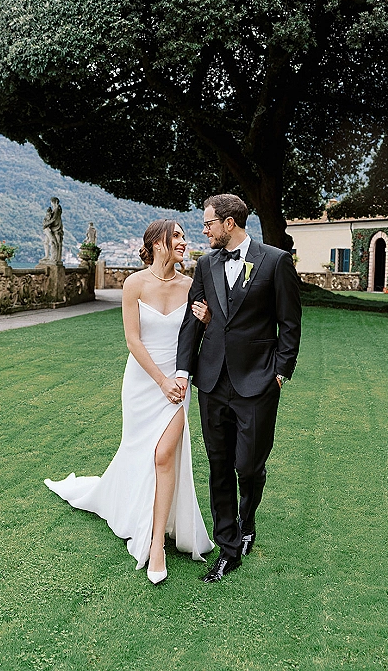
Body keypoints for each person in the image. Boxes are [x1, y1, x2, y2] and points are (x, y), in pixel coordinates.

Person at [44, 219, 214, 583]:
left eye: (186, 236)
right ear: (157, 243)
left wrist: (209, 321)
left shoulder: (192, 285)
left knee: (165, 455)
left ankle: (156, 545)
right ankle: (131, 510)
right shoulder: (133, 284)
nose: (184, 242)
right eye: (178, 236)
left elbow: (206, 335)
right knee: (141, 454)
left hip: (179, 382)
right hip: (144, 382)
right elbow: (133, 341)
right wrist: (160, 380)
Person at [176, 194, 301, 583]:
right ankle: (228, 547)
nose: (204, 230)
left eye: (209, 223)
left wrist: (280, 372)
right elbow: (192, 322)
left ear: (229, 223)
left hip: (257, 381)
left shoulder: (275, 261)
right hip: (212, 380)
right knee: (218, 465)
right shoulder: (205, 264)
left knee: (247, 466)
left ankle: (248, 522)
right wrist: (184, 370)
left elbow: (289, 323)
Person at [42, 197, 64, 262]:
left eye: (52, 202)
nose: (51, 204)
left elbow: (53, 219)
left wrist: (46, 224)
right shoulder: (55, 209)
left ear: (53, 202)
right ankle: (48, 256)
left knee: (54, 243)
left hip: (55, 229)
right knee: (46, 242)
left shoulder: (56, 209)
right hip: (50, 228)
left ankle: (54, 258)